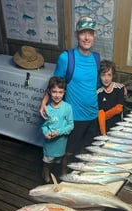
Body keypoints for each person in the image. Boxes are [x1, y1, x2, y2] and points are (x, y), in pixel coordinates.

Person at [39, 16, 100, 175]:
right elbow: (55, 83)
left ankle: (79, 177)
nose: (86, 37)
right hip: (75, 117)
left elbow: (97, 85)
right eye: (83, 33)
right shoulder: (67, 57)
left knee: (86, 150)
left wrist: (118, 87)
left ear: (94, 35)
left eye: (90, 33)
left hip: (93, 115)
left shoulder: (96, 58)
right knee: (69, 152)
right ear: (76, 35)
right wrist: (43, 102)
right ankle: (64, 177)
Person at [41, 77, 73, 183]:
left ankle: (59, 173)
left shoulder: (68, 108)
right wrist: (46, 133)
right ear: (49, 92)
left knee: (60, 160)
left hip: (62, 144)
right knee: (48, 162)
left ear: (64, 92)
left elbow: (70, 125)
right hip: (49, 145)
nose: (57, 95)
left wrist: (59, 132)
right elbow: (44, 126)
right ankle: (46, 174)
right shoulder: (47, 109)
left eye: (60, 92)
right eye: (54, 92)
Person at [97, 60, 125, 135]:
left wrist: (103, 116)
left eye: (109, 75)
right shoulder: (98, 92)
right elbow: (100, 112)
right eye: (103, 75)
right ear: (99, 76)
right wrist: (103, 134)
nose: (106, 78)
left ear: (113, 75)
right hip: (104, 129)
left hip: (118, 128)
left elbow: (119, 108)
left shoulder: (119, 88)